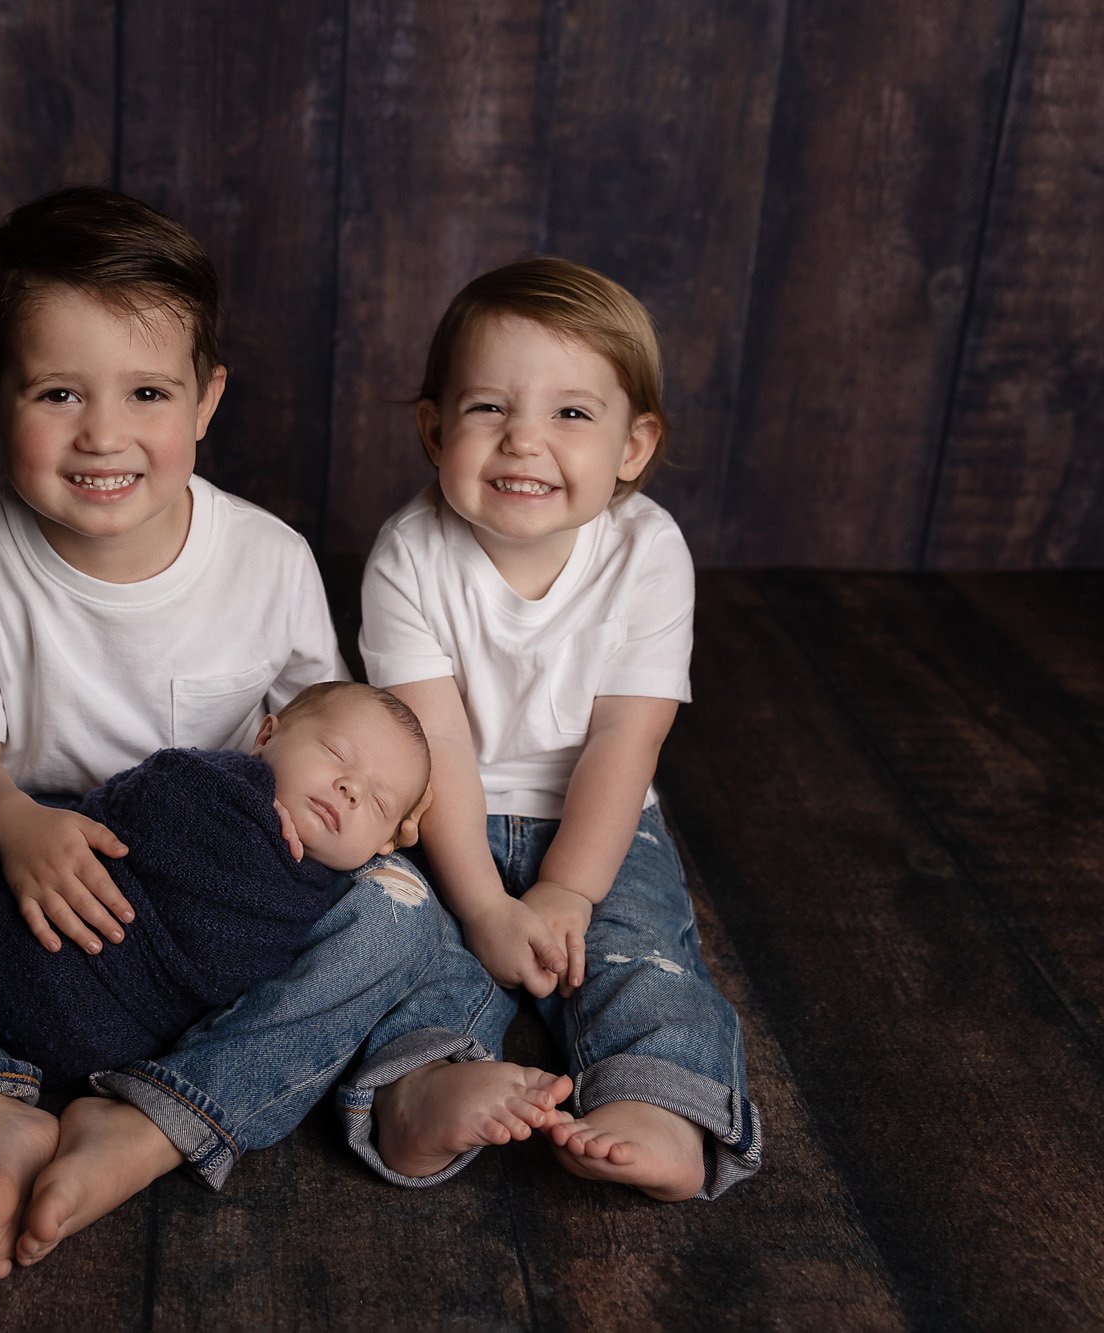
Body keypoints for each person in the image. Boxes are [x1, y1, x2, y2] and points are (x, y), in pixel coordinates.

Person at [0, 187, 568, 1286]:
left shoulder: (267, 558)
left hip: (235, 894)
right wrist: (12, 824)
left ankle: (160, 1117)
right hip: (40, 869)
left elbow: (331, 732)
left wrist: (384, 819)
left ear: (204, 403)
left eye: (145, 392)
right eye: (57, 392)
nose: (102, 433)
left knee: (397, 914)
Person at [356, 256, 762, 1201]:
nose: (524, 443)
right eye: (489, 408)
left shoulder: (649, 552)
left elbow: (627, 738)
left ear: (633, 443)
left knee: (643, 947)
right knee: (401, 939)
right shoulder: (410, 555)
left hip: (597, 816)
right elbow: (439, 744)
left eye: (572, 414)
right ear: (433, 428)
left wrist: (572, 890)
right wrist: (487, 907)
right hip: (434, 815)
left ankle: (661, 1103)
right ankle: (419, 1087)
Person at [0, 682, 432, 1081]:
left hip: (113, 1029)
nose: (351, 789)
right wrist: (248, 801)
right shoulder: (202, 783)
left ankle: (170, 1109)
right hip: (25, 919)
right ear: (266, 737)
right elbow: (141, 803)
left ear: (386, 843)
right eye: (334, 753)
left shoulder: (332, 898)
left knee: (410, 914)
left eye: (378, 804)